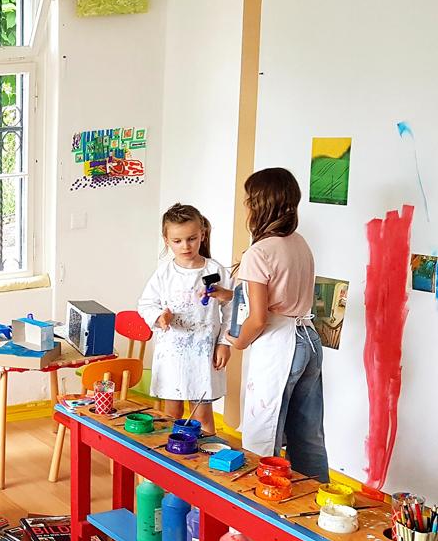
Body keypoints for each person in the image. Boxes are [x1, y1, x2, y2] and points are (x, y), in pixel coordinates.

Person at [220, 167, 328, 481]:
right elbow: (280, 293)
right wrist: (231, 294)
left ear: (259, 205)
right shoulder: (298, 243)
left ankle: (262, 511)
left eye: (249, 201)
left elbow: (258, 318)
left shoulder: (259, 252)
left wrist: (237, 342)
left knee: (262, 432)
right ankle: (316, 510)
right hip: (308, 339)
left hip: (282, 346)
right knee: (306, 433)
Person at [137, 203, 232, 434]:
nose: (185, 246)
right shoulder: (164, 273)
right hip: (173, 355)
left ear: (202, 235)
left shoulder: (215, 270)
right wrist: (160, 317)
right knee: (172, 414)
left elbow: (232, 308)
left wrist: (224, 343)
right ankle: (172, 462)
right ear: (166, 239)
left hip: (204, 354)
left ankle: (206, 464)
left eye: (191, 239)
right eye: (177, 241)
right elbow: (145, 304)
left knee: (202, 416)